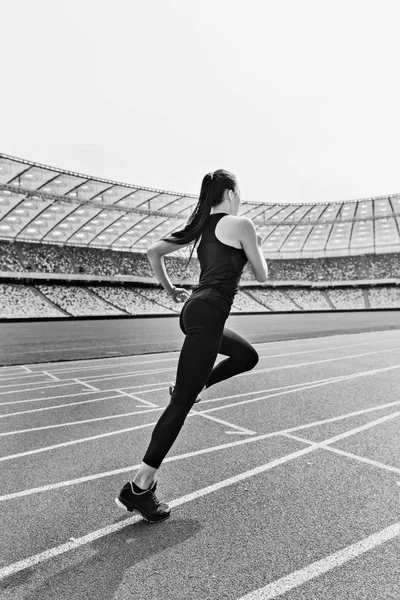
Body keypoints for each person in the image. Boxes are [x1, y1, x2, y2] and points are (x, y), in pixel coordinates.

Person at [115, 169, 269, 523]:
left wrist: (170, 290)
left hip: (195, 312)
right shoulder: (241, 224)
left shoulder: (201, 225)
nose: (241, 197)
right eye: (239, 191)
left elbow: (153, 252)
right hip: (208, 314)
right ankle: (139, 487)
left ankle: (199, 383)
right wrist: (256, 246)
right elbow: (262, 274)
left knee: (247, 356)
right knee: (180, 404)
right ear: (230, 193)